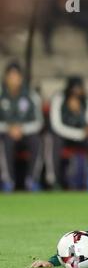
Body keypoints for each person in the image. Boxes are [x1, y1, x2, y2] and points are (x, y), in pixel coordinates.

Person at [47, 76, 88, 189]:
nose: (76, 94)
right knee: (53, 140)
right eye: (73, 91)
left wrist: (78, 112)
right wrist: (79, 134)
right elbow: (56, 126)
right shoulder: (59, 98)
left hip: (82, 136)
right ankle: (53, 180)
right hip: (63, 136)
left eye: (79, 90)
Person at [0, 61, 43, 192]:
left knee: (37, 141)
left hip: (26, 132)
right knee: (4, 142)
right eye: (11, 76)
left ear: (21, 78)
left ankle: (32, 180)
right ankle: (8, 181)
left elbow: (39, 121)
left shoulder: (31, 95)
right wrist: (8, 128)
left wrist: (22, 129)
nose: (14, 80)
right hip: (6, 133)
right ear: (6, 78)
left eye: (16, 76)